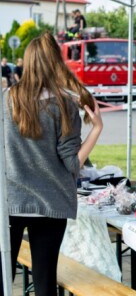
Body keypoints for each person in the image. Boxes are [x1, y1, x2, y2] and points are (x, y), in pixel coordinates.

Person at [0, 32, 102, 295]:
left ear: (28, 62)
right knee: (45, 282)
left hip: (10, 202)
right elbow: (73, 163)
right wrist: (97, 128)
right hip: (51, 204)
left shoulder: (6, 98)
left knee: (3, 277)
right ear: (56, 62)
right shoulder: (65, 104)